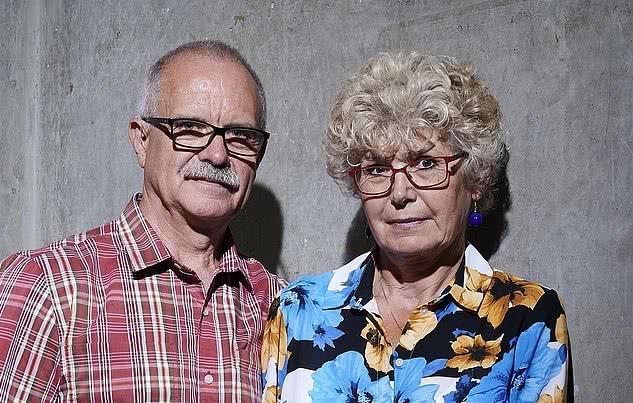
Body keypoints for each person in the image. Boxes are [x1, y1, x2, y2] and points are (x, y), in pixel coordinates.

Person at [261, 51, 571, 402]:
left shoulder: (528, 318)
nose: (400, 193)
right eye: (377, 169)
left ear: (475, 179)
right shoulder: (298, 309)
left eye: (425, 163)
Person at [0, 40, 284, 401]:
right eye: (190, 127)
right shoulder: (47, 286)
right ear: (141, 141)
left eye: (240, 135)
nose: (217, 154)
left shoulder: (279, 304)